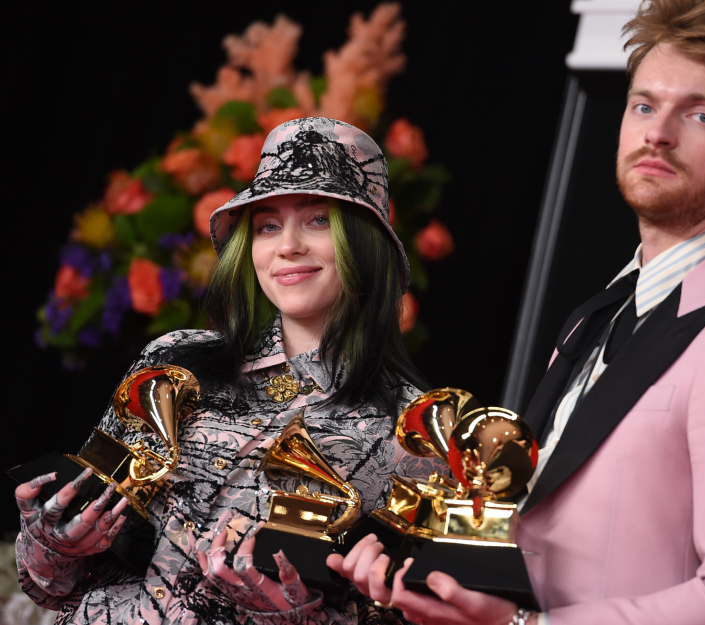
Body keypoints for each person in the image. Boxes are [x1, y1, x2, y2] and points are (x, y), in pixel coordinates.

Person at [331, 1, 705, 624]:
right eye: (644, 106)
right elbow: (542, 536)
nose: (658, 133)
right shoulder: (596, 315)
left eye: (700, 114)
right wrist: (414, 571)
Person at [14, 117, 444, 624]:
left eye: (317, 220)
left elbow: (406, 611)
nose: (287, 246)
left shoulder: (415, 433)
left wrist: (293, 616)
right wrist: (55, 541)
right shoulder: (174, 359)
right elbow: (52, 586)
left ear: (365, 241)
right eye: (267, 226)